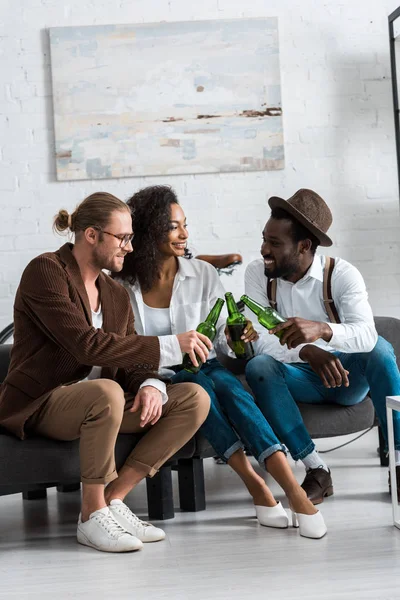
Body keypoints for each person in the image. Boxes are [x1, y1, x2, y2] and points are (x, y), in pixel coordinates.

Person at [0, 192, 211, 553]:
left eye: (131, 238)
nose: (130, 247)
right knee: (106, 392)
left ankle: (113, 500)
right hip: (44, 402)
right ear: (91, 235)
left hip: (101, 405)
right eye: (123, 238)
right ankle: (90, 515)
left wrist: (148, 383)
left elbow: (129, 358)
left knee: (193, 397)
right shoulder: (46, 271)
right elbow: (85, 345)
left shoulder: (114, 293)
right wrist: (172, 344)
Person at [116, 184, 326, 539]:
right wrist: (173, 349)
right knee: (199, 386)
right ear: (151, 229)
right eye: (173, 226)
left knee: (229, 388)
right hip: (155, 376)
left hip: (207, 367)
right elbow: (126, 347)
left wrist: (234, 340)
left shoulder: (202, 274)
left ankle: (290, 489)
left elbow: (223, 349)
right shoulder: (122, 285)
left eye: (185, 224)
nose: (184, 234)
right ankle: (258, 486)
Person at [244, 188, 400, 504]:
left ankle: (399, 463)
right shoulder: (258, 275)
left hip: (346, 377)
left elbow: (366, 336)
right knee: (257, 366)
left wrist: (323, 331)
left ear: (304, 246)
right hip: (297, 377)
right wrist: (306, 351)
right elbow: (259, 338)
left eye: (274, 243)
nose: (264, 250)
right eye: (264, 239)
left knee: (380, 349)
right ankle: (317, 469)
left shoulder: (341, 275)